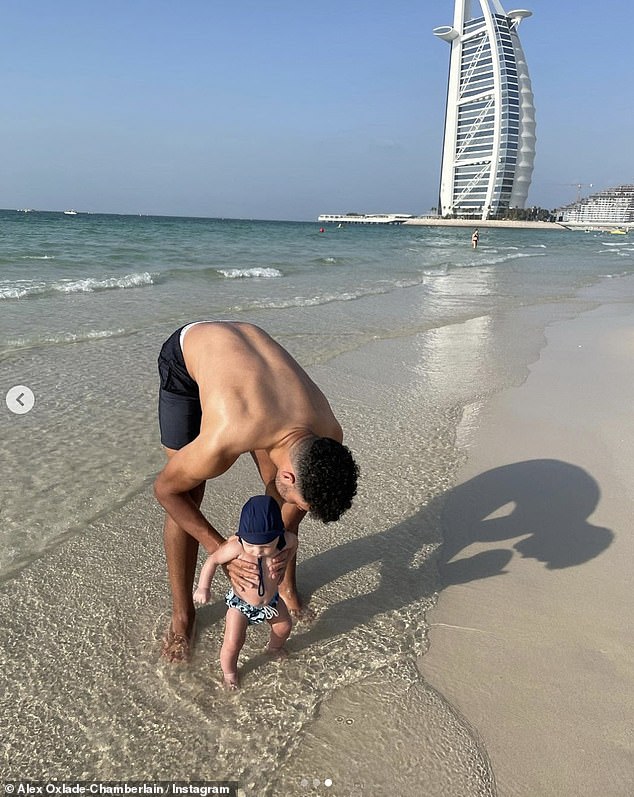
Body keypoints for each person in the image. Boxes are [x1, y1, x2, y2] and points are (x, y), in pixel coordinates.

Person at [154, 320, 359, 662]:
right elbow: (164, 490)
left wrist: (275, 557)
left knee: (276, 493)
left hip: (256, 377)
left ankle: (287, 584)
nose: (299, 510)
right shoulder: (227, 436)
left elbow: (289, 503)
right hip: (189, 356)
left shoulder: (328, 435)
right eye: (301, 504)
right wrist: (224, 552)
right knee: (188, 496)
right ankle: (182, 615)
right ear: (289, 475)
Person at [193, 495, 298, 689]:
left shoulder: (285, 541)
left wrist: (285, 563)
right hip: (240, 605)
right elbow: (213, 560)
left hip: (272, 601)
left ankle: (274, 648)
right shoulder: (237, 547)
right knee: (233, 642)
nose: (257, 551)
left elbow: (294, 542)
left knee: (284, 626)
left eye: (265, 546)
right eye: (251, 545)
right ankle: (229, 672)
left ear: (279, 535)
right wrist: (203, 587)